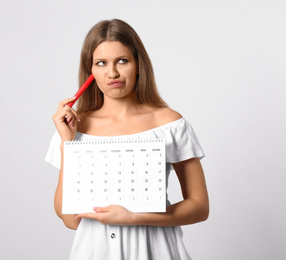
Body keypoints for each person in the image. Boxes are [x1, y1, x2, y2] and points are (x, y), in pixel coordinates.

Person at [45, 19, 209, 260]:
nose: (112, 73)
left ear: (138, 64)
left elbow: (199, 206)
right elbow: (69, 219)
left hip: (156, 250)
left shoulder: (169, 124)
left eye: (122, 61)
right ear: (91, 71)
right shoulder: (73, 128)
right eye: (101, 63)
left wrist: (135, 218)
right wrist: (67, 143)